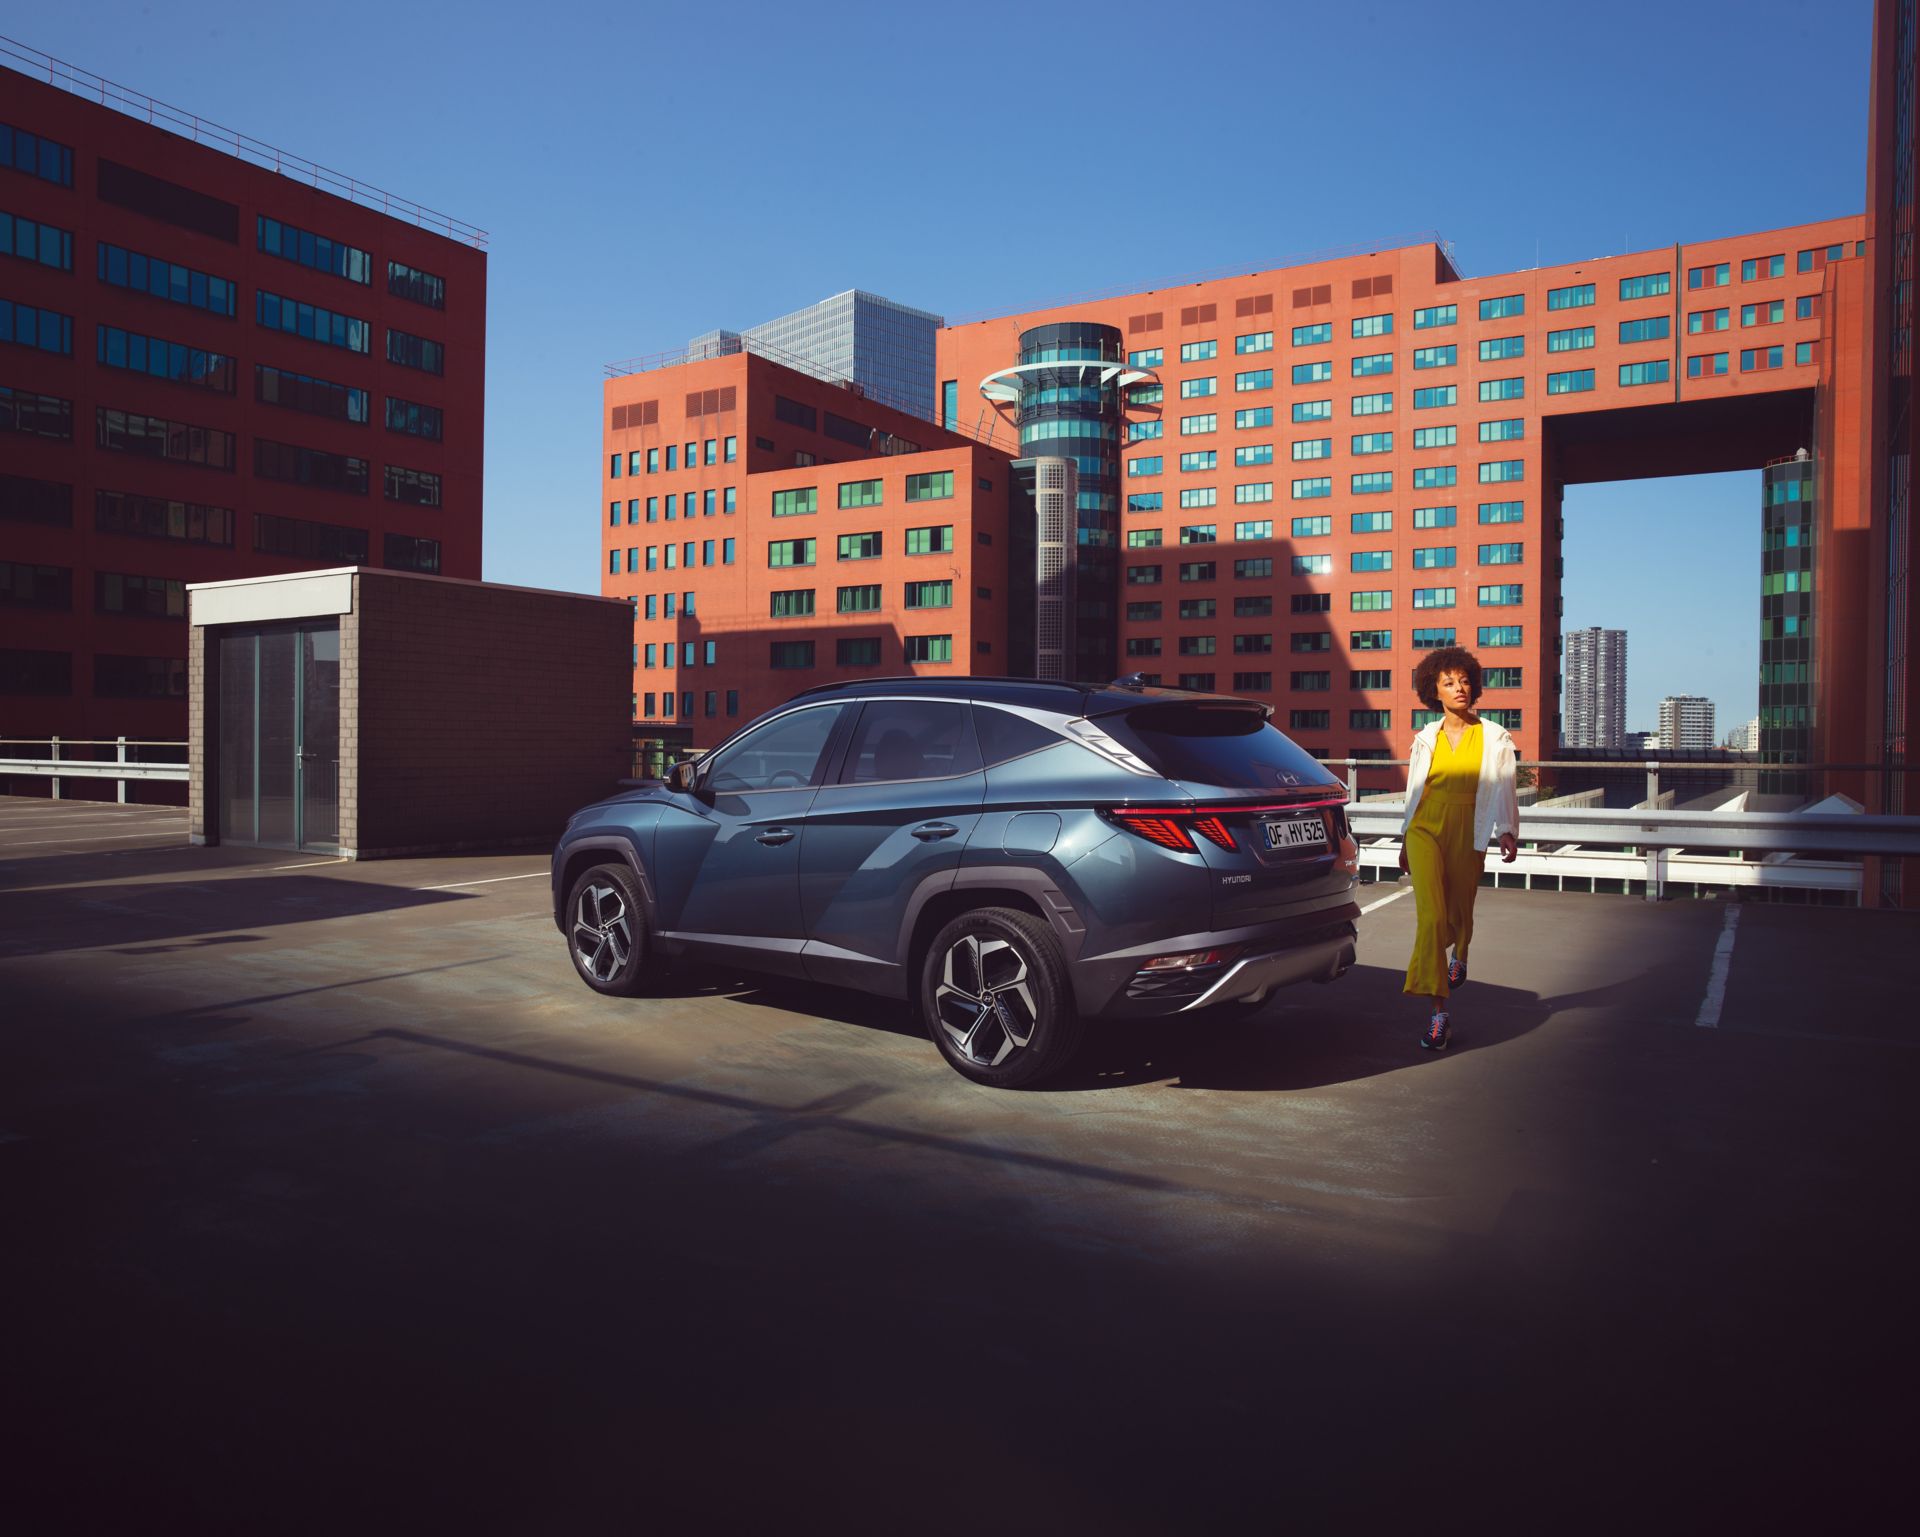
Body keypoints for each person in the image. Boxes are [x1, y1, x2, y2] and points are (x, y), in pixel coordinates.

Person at [1396, 646, 1520, 1051]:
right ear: (1435, 691)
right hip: (1424, 827)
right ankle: (1439, 1014)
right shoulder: (1425, 737)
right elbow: (1415, 790)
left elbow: (1504, 785)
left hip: (1469, 825)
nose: (1459, 688)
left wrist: (1507, 829)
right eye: (1449, 682)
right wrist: (1404, 837)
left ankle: (1461, 951)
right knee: (1431, 918)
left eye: (1464, 680)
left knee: (1459, 909)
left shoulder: (1494, 736)